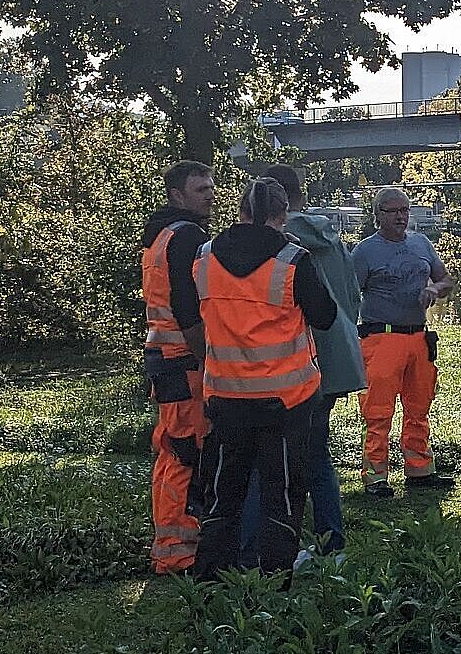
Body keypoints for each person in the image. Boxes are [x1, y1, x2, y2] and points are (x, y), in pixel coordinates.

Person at [192, 177, 337, 576]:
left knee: (223, 493)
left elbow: (191, 313)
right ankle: (275, 582)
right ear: (282, 214)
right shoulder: (293, 259)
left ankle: (209, 581)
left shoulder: (204, 256)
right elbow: (325, 316)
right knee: (282, 495)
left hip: (224, 397)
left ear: (240, 211)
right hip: (285, 402)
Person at [352, 187, 455, 497]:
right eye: (392, 211)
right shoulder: (364, 252)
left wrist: (435, 289)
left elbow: (447, 279)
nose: (400, 216)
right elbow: (347, 296)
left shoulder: (421, 243)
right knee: (378, 411)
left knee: (419, 407)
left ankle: (419, 470)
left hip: (418, 337)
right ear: (377, 215)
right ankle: (376, 478)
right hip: (381, 337)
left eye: (404, 210)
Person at [140, 160, 216, 574]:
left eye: (212, 186)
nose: (210, 193)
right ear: (177, 194)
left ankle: (172, 542)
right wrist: (209, 360)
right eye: (201, 188)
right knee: (187, 453)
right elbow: (188, 309)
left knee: (172, 449)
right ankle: (178, 551)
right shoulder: (187, 237)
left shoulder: (160, 235)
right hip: (185, 362)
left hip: (164, 360)